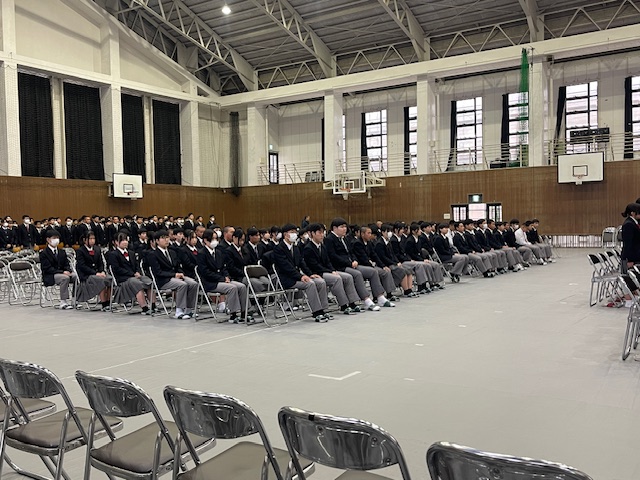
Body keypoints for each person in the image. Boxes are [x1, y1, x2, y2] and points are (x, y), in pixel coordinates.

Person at [273, 223, 331, 322]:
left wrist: (310, 274)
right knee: (310, 284)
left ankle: (324, 309)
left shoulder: (295, 248)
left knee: (321, 282)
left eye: (295, 232)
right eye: (292, 232)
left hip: (298, 277)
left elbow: (301, 263)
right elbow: (286, 267)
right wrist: (301, 276)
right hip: (287, 279)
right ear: (285, 234)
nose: (294, 234)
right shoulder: (279, 249)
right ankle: (317, 312)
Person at [303, 223, 362, 315]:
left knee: (348, 277)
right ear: (313, 234)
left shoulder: (322, 246)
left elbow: (328, 262)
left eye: (323, 232)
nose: (322, 235)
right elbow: (315, 266)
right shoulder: (308, 248)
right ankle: (343, 305)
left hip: (326, 271)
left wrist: (333, 270)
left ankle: (352, 302)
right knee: (336, 279)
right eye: (319, 233)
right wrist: (330, 272)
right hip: (318, 273)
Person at [197, 229, 253, 323]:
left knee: (242, 286)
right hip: (211, 282)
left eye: (216, 238)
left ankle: (245, 312)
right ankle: (233, 314)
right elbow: (205, 272)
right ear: (205, 240)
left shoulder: (218, 252)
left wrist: (226, 276)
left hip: (223, 279)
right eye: (212, 239)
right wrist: (222, 278)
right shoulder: (202, 253)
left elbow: (224, 267)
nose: (215, 241)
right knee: (232, 288)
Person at [147, 230, 199, 319]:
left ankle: (189, 309)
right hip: (163, 280)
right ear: (157, 241)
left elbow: (177, 266)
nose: (166, 240)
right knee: (182, 285)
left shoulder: (172, 252)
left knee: (193, 283)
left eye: (167, 237)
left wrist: (181, 273)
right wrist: (174, 275)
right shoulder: (153, 254)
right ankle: (179, 310)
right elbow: (158, 272)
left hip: (175, 277)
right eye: (163, 238)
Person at [107, 232, 156, 314]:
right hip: (123, 279)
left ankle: (153, 306)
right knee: (137, 284)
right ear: (116, 242)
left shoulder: (131, 253)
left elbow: (137, 265)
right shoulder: (113, 254)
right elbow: (117, 269)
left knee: (148, 281)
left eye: (126, 240)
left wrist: (138, 272)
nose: (125, 242)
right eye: (122, 240)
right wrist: (132, 274)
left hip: (135, 276)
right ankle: (144, 307)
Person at [39, 229, 77, 309]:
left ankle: (75, 299)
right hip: (50, 275)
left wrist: (68, 270)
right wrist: (62, 272)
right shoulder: (43, 253)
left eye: (57, 238)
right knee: (64, 278)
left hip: (63, 273)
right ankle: (63, 301)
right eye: (54, 238)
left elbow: (66, 264)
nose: (56, 240)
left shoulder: (62, 252)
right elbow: (47, 268)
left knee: (76, 276)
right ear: (48, 240)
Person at [75, 231, 112, 310]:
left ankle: (109, 301)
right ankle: (104, 303)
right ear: (85, 240)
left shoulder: (97, 249)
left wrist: (102, 271)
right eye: (90, 239)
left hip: (97, 273)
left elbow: (100, 263)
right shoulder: (80, 251)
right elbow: (82, 266)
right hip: (86, 275)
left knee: (109, 279)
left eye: (93, 238)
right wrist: (95, 273)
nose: (92, 240)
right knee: (100, 280)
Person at [621, 203, 640, 273]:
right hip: (630, 258)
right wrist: (630, 260)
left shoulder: (634, 223)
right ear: (633, 213)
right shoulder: (628, 224)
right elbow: (628, 243)